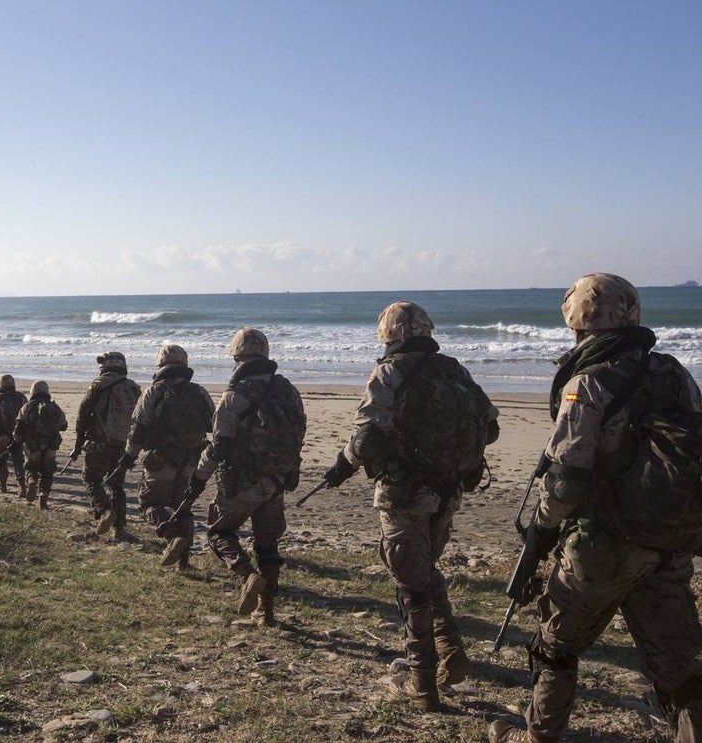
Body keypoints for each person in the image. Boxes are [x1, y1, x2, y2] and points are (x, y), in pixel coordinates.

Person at [489, 273, 702, 743]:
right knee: (677, 662)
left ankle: (538, 737)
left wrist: (540, 531)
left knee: (554, 646)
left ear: (578, 322)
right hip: (668, 540)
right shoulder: (675, 374)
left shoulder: (589, 382)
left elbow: (566, 478)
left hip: (603, 547)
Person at [322, 301, 499, 709]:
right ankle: (451, 650)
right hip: (449, 490)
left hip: (404, 494)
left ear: (389, 334)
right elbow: (490, 428)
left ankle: (421, 681)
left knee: (410, 584)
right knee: (423, 570)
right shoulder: (455, 370)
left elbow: (367, 439)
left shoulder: (390, 372)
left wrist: (341, 466)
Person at [188, 328, 306, 626]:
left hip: (241, 482)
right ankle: (266, 612)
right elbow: (299, 432)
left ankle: (247, 575)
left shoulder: (233, 397)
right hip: (277, 481)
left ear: (237, 358)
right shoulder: (288, 390)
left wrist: (198, 477)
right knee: (268, 544)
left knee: (218, 533)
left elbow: (219, 446)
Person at [123, 344, 214, 570]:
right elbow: (214, 424)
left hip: (160, 460)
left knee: (149, 504)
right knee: (183, 508)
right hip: (192, 461)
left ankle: (172, 537)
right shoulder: (199, 392)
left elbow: (138, 429)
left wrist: (129, 456)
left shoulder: (153, 392)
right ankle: (183, 562)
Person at [71, 351, 142, 538]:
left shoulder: (98, 385)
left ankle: (104, 511)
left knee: (91, 479)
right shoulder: (134, 388)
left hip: (99, 442)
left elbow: (83, 414)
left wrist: (78, 442)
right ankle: (119, 529)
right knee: (117, 485)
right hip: (123, 445)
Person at [14, 380, 67, 509]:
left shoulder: (27, 407)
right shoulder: (54, 407)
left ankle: (31, 481)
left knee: (31, 468)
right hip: (50, 446)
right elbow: (64, 426)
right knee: (47, 472)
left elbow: (19, 427)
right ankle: (43, 497)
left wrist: (17, 439)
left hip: (32, 445)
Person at [0, 374, 28, 493]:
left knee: (1, 460)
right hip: (17, 435)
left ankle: (2, 485)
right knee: (18, 459)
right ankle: (21, 486)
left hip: (1, 434)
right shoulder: (21, 397)